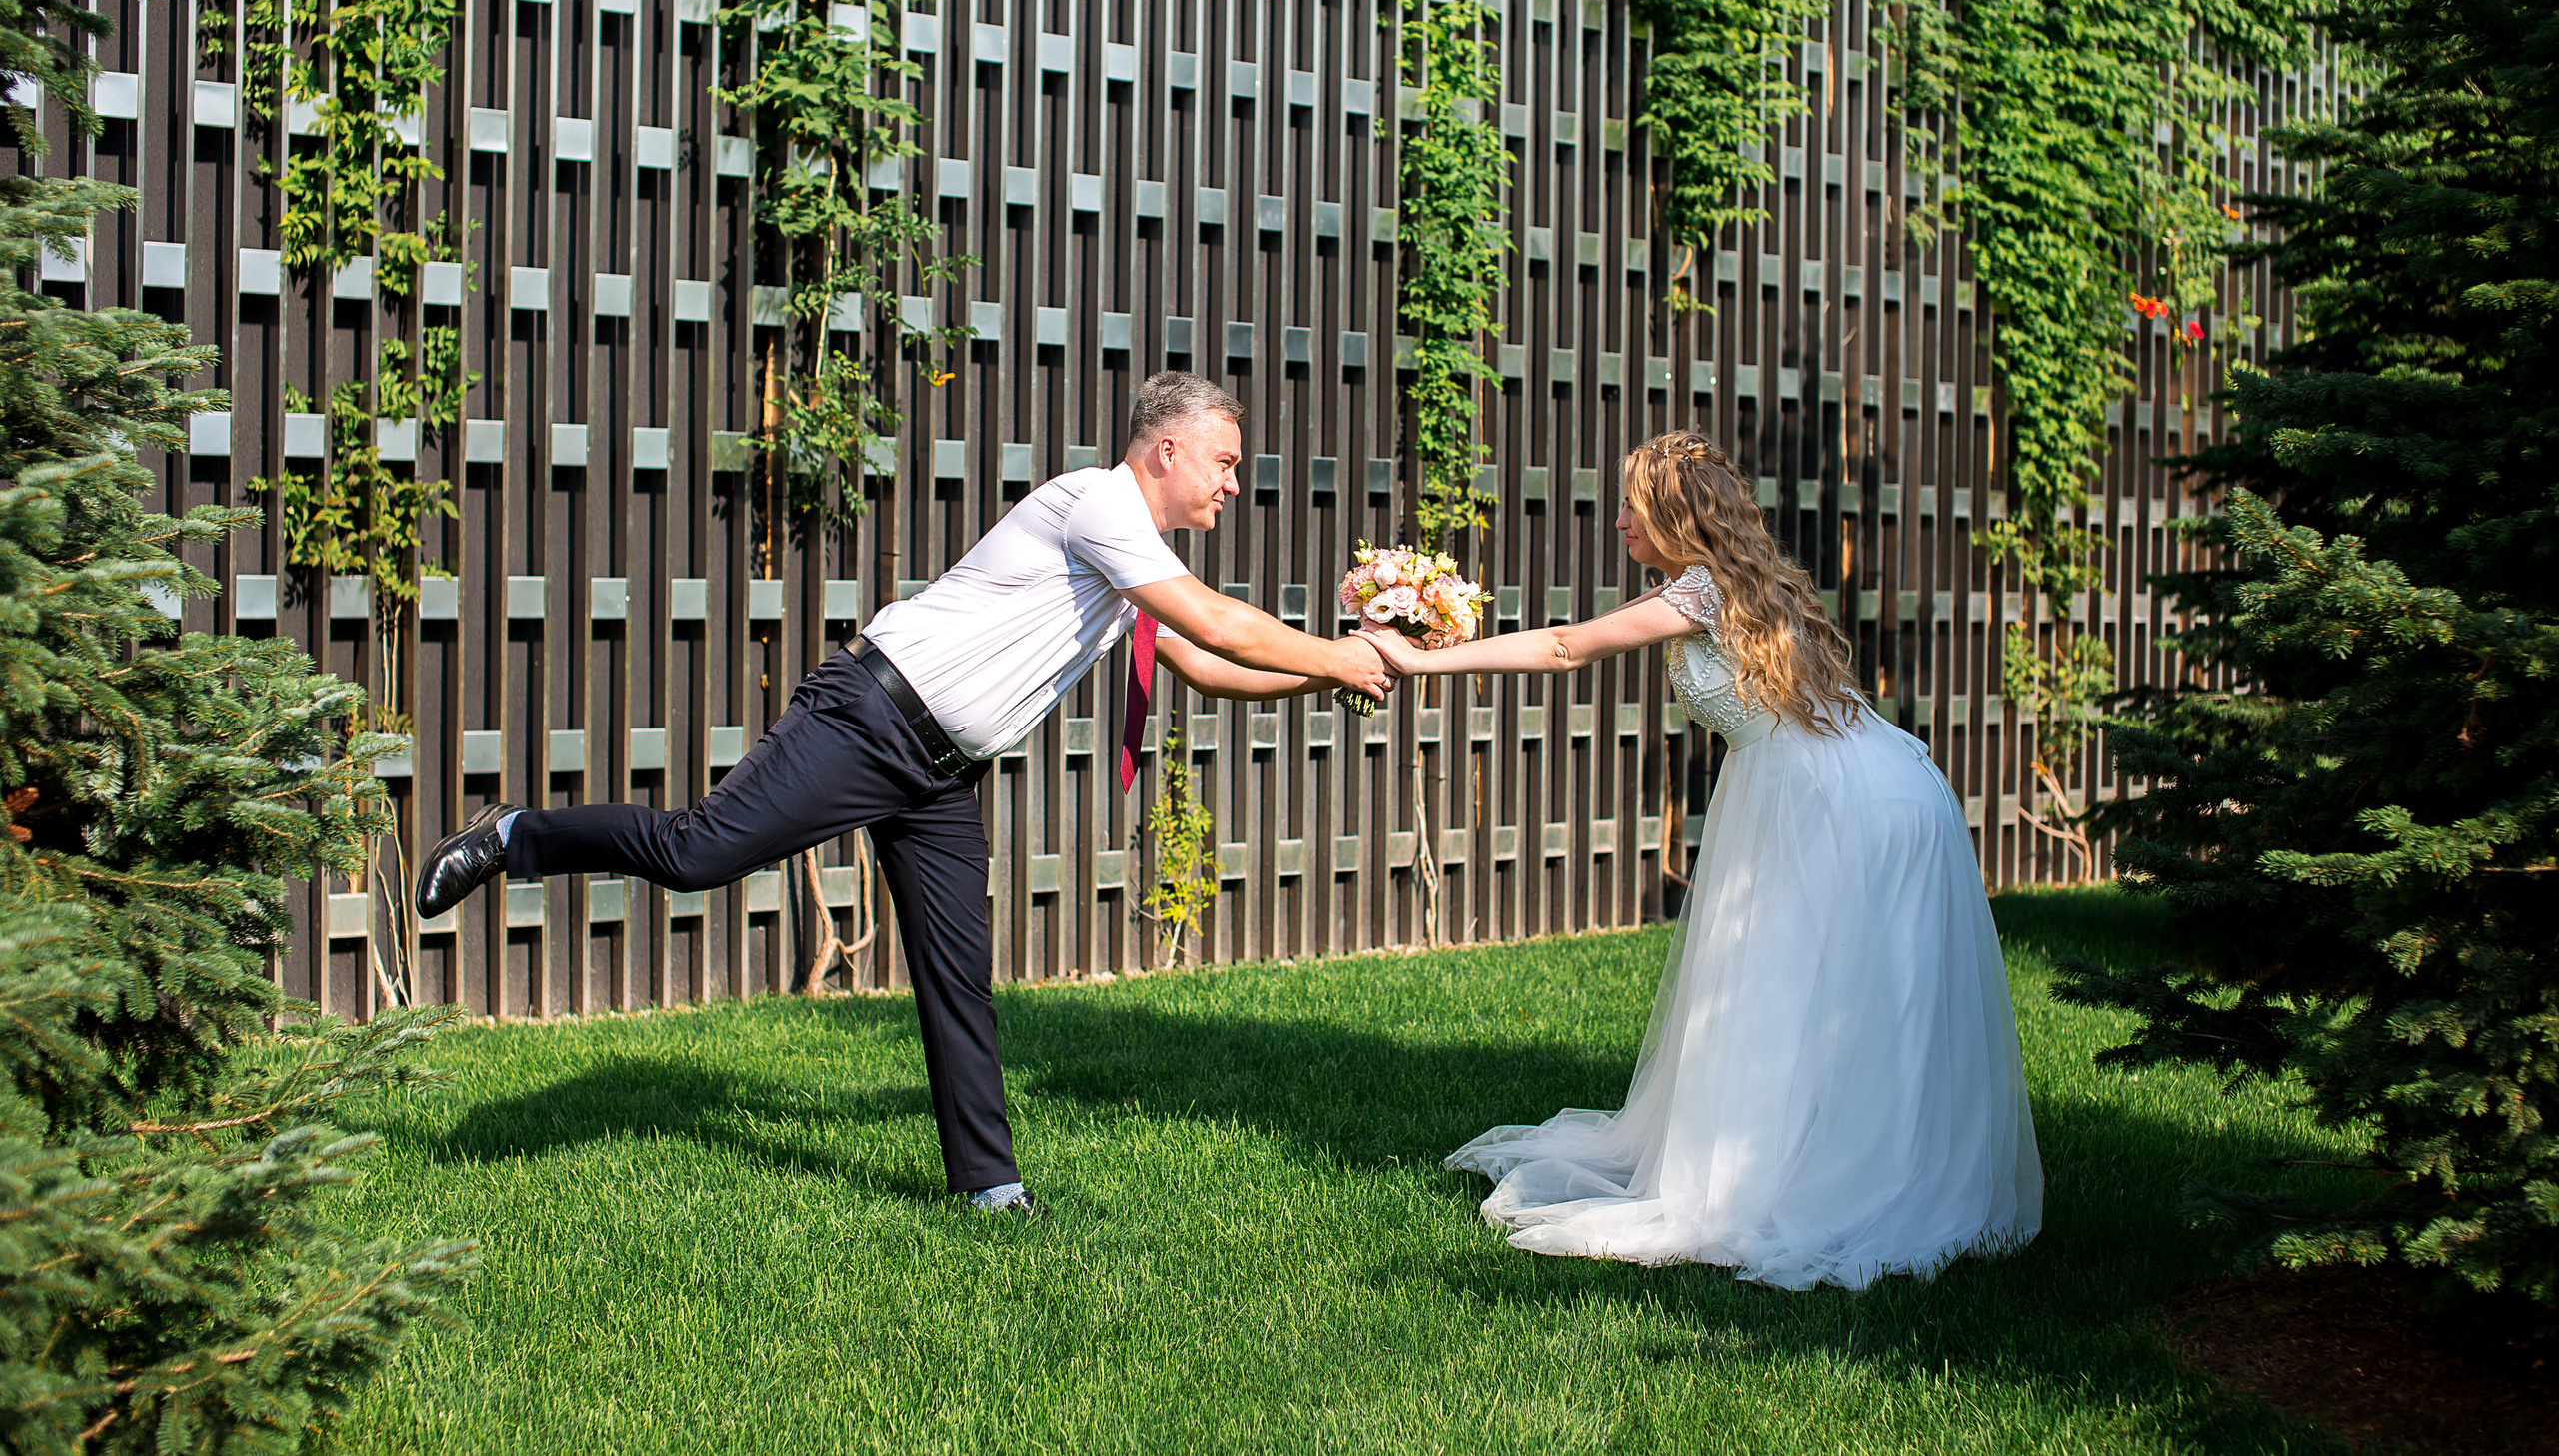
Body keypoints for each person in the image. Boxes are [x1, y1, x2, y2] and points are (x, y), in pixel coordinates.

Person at [412, 372, 1393, 1215]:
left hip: (940, 777)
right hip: (869, 719)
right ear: (1165, 449)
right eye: (1223, 461)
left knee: (956, 974)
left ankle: (989, 1187)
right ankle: (515, 835)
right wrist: (1335, 657)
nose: (1232, 482)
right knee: (697, 852)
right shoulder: (1097, 505)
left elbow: (1209, 664)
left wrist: (1331, 673)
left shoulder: (1132, 566)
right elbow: (1217, 623)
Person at [1357, 430, 2041, 1288]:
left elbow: (1567, 647)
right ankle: (1868, 1165)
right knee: (1855, 996)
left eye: (1631, 507)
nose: (1618, 522)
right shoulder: (1747, 580)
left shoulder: (1704, 588)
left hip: (1835, 800)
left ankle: (1811, 1183)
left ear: (1674, 514)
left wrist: (1425, 659)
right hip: (1878, 784)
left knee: (1785, 988)